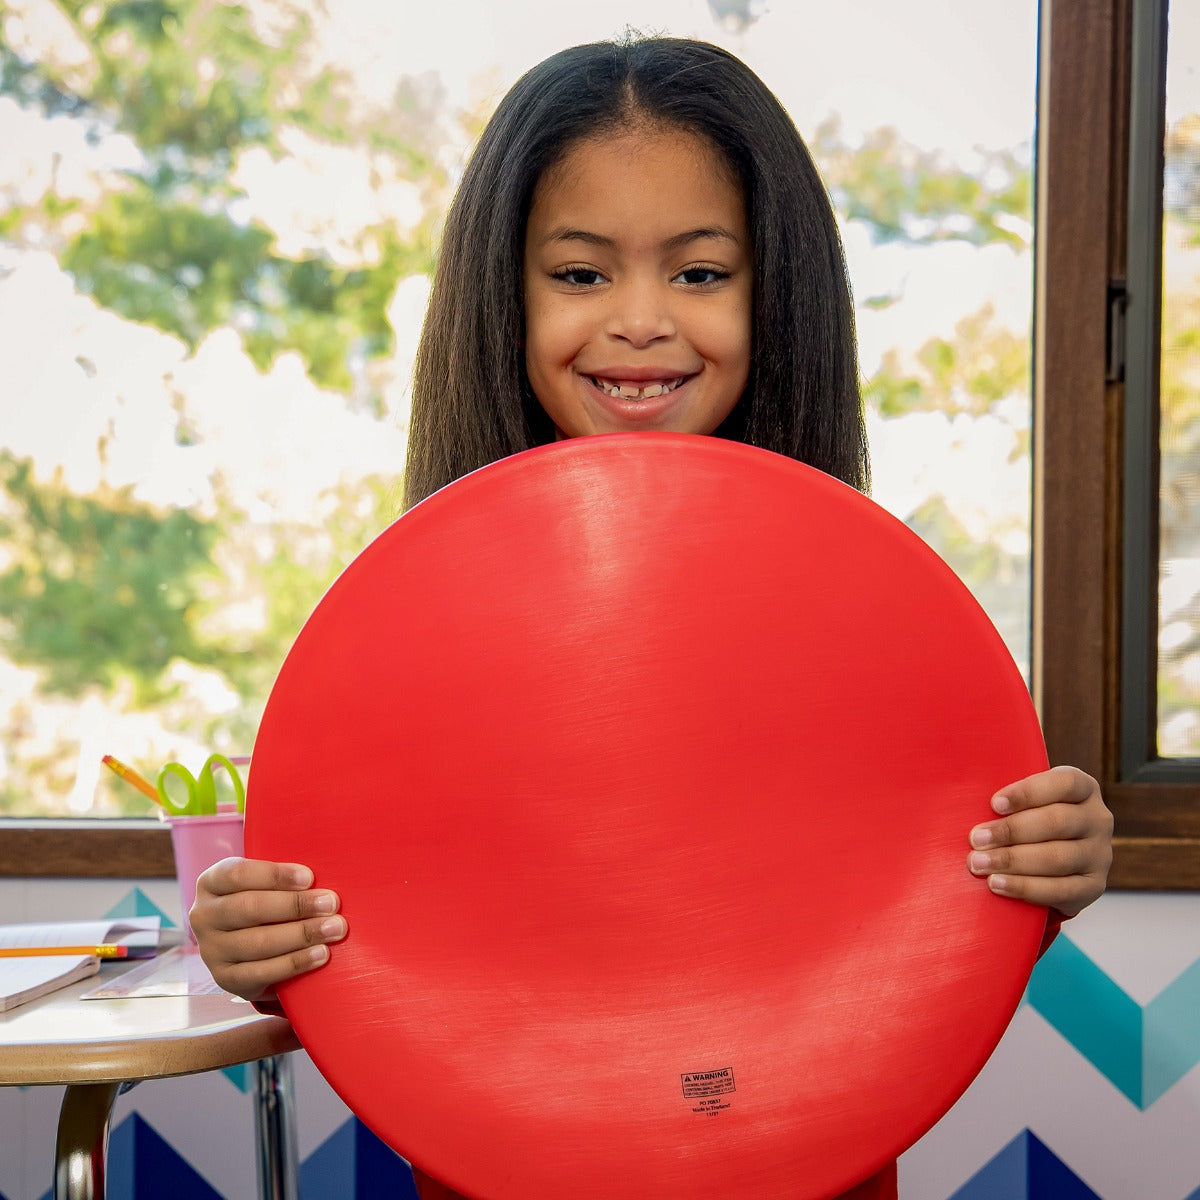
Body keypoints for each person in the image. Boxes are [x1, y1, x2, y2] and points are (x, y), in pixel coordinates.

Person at [191, 35, 1114, 1200]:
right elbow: (391, 913)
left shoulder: (860, 615)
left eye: (699, 272)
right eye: (580, 274)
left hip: (806, 1161)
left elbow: (911, 908)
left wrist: (1049, 865)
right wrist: (260, 946)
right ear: (502, 296)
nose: (639, 320)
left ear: (777, 292)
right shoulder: (423, 631)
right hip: (507, 1160)